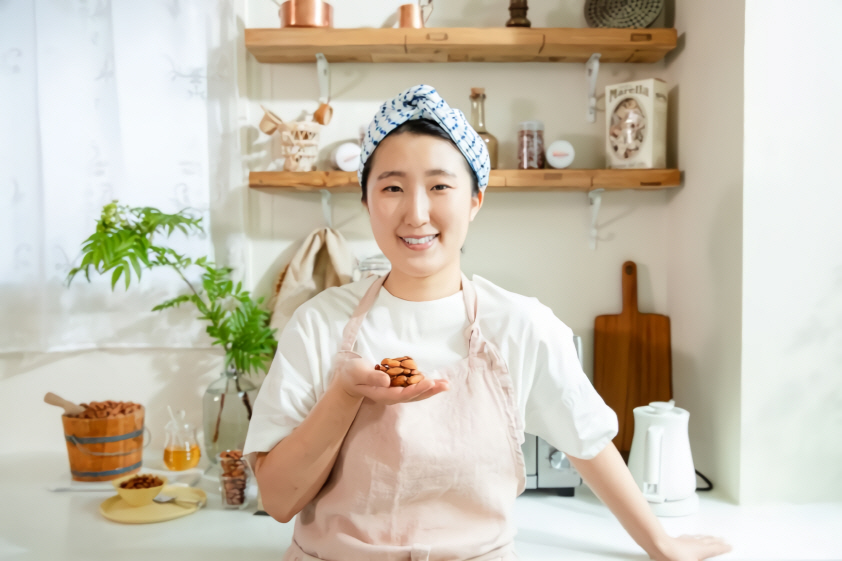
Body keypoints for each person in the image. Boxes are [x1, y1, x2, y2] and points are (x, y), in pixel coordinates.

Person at [243, 84, 732, 561]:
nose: (416, 212)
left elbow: (589, 442)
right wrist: (345, 395)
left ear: (475, 199)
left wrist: (662, 545)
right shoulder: (318, 325)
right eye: (392, 187)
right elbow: (278, 500)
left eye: (439, 186)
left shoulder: (521, 326)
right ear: (367, 201)